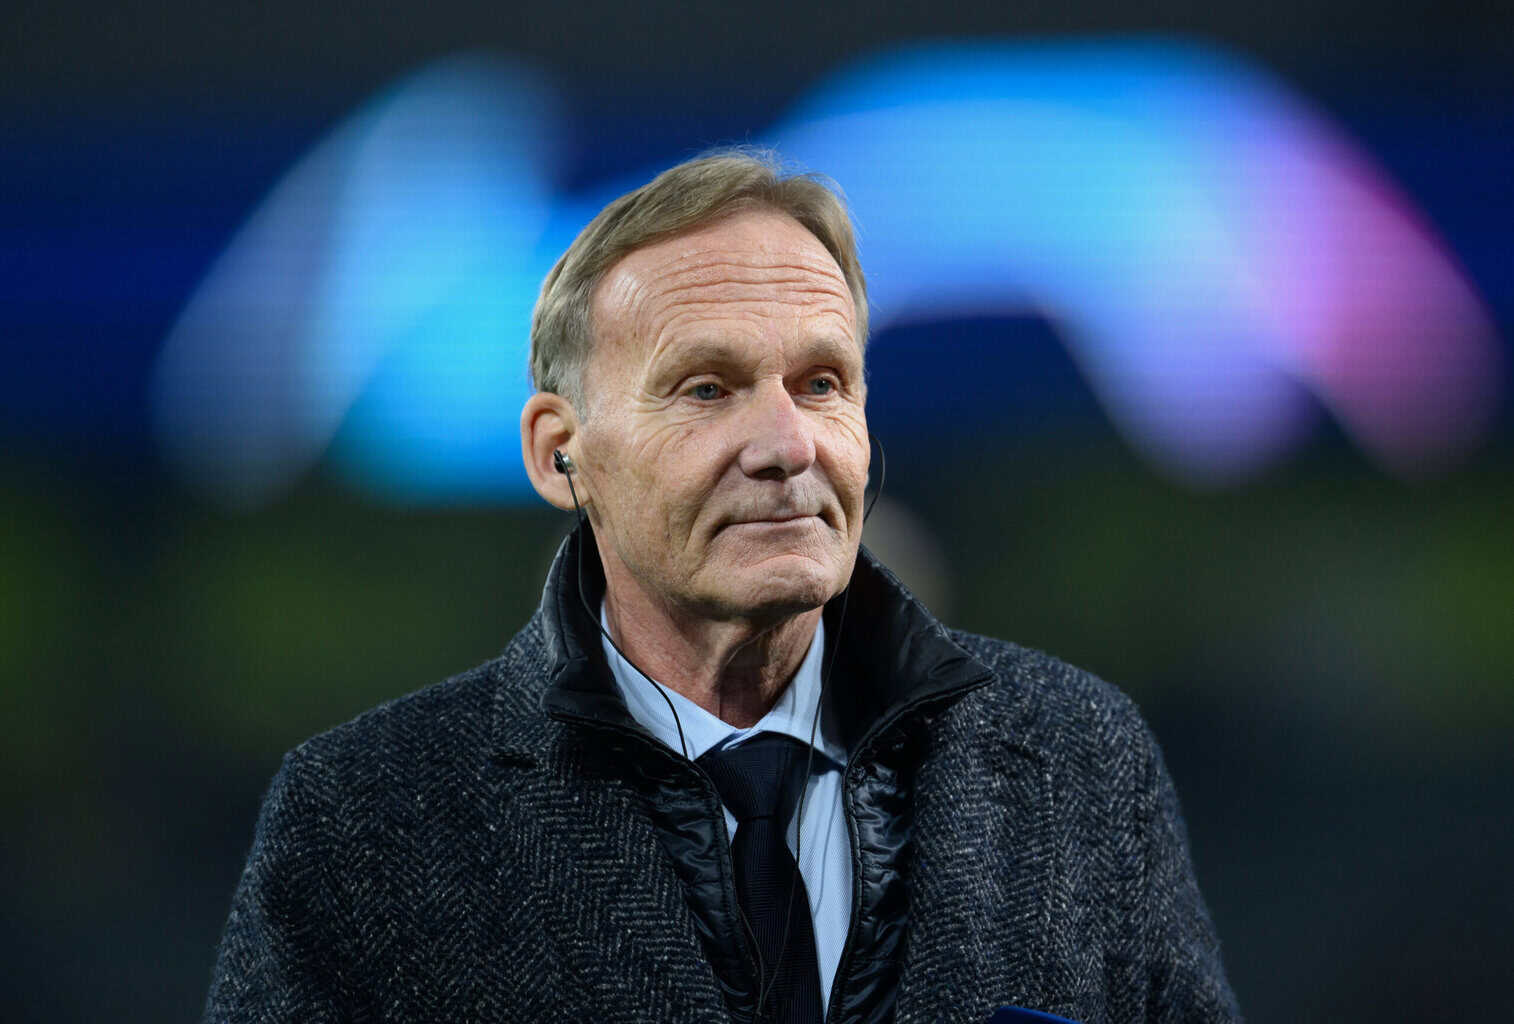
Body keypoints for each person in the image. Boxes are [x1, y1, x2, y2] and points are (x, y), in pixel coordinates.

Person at [205, 150, 1240, 1023]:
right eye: (707, 389)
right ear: (560, 453)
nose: (786, 445)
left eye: (821, 384)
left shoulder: (1079, 765)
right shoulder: (363, 821)